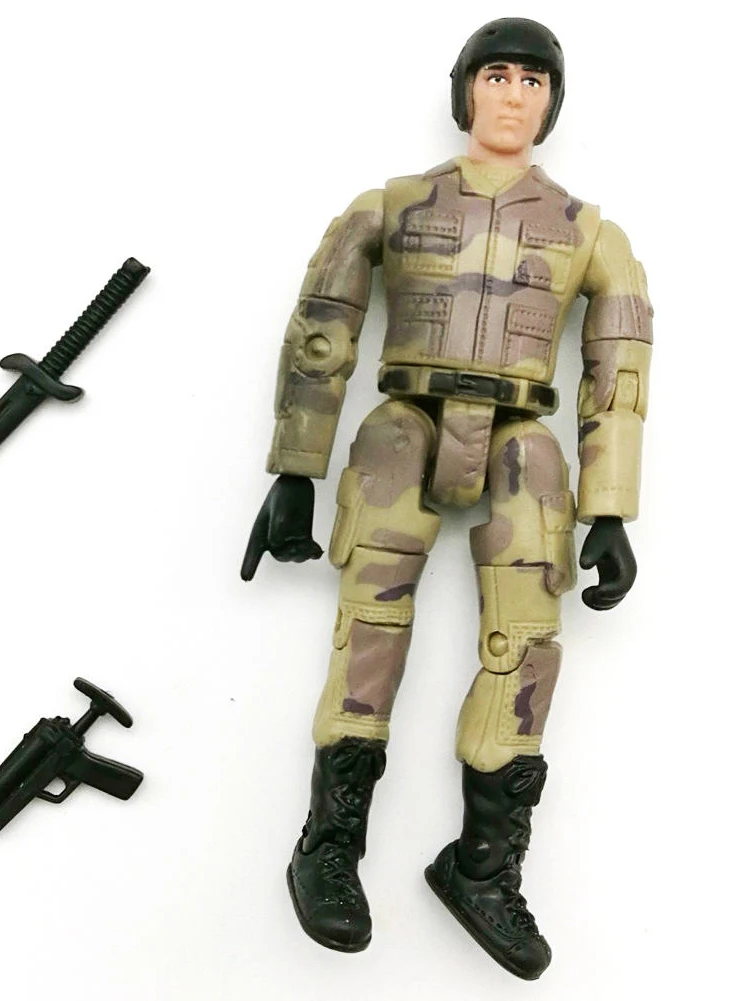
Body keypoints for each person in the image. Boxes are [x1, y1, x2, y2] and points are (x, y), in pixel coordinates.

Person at [241, 17, 651, 980]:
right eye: (496, 74)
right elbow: (321, 332)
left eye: (533, 81)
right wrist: (295, 470)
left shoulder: (589, 230)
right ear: (464, 89)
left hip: (519, 438)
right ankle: (327, 848)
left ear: (552, 103)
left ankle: (481, 867)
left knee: (525, 645)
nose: (512, 94)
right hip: (404, 423)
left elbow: (620, 368)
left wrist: (610, 507)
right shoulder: (389, 205)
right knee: (368, 629)